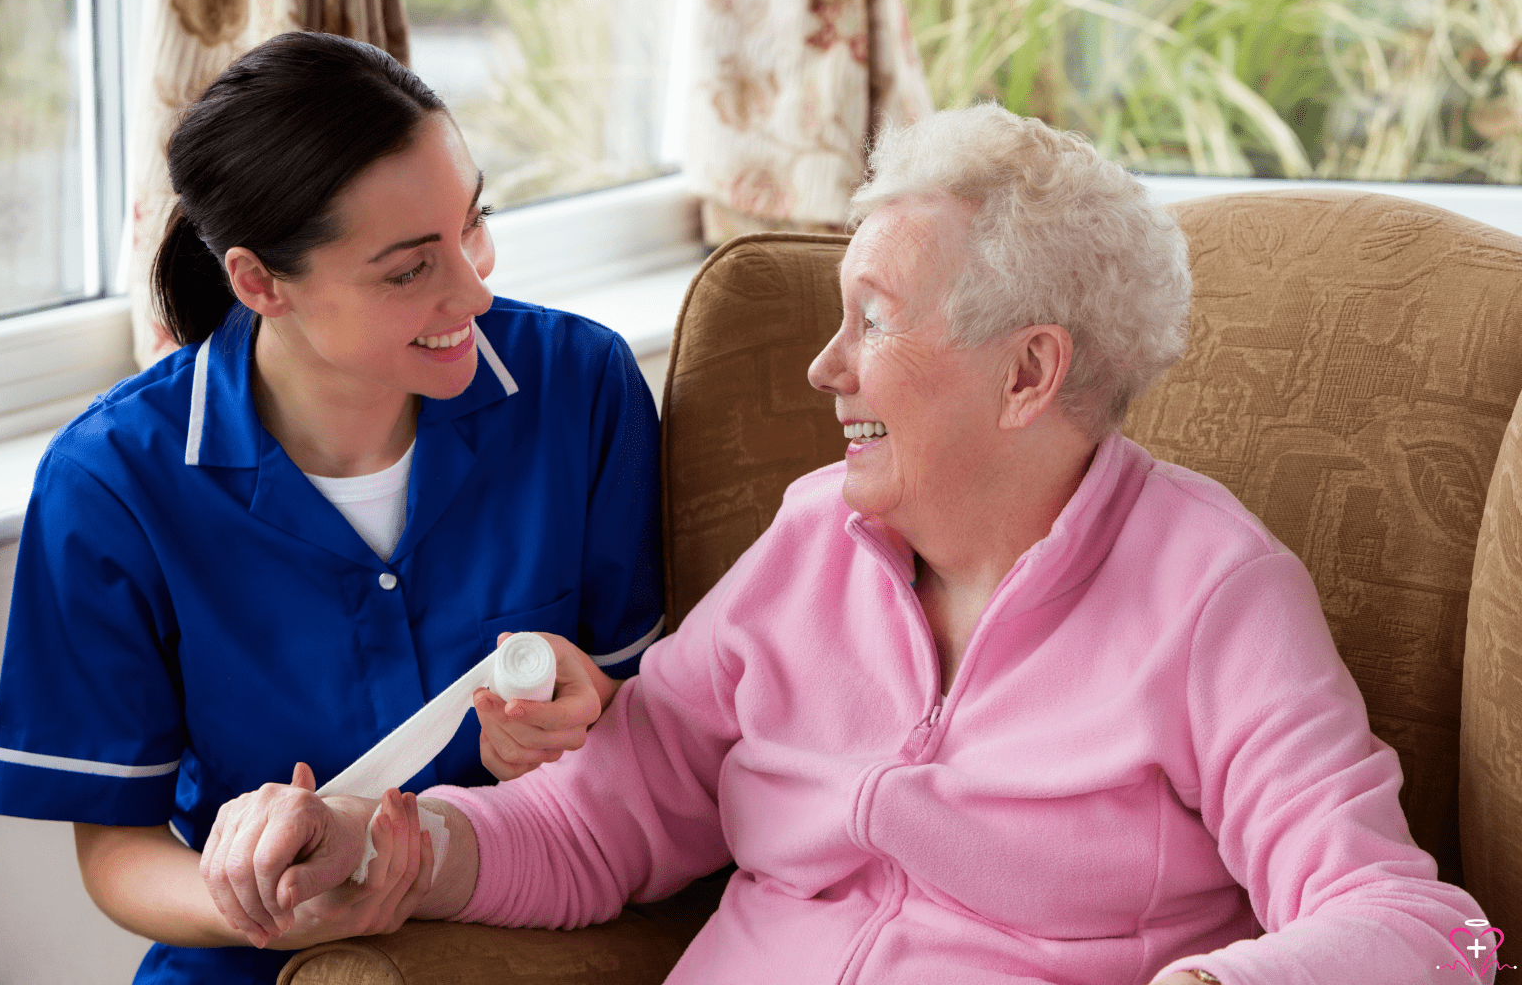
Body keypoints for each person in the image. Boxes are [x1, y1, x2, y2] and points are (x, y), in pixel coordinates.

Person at [201, 104, 1490, 985]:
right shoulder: (815, 537)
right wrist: (384, 850)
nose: (823, 370)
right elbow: (611, 817)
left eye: (870, 320)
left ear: (1030, 371)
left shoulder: (1211, 593)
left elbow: (1418, 925)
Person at [0, 32, 664, 985]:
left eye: (475, 222)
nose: (474, 287)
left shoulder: (579, 387)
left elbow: (668, 723)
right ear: (259, 281)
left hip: (541, 927)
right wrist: (265, 910)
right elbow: (115, 853)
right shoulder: (109, 485)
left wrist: (593, 704)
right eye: (407, 269)